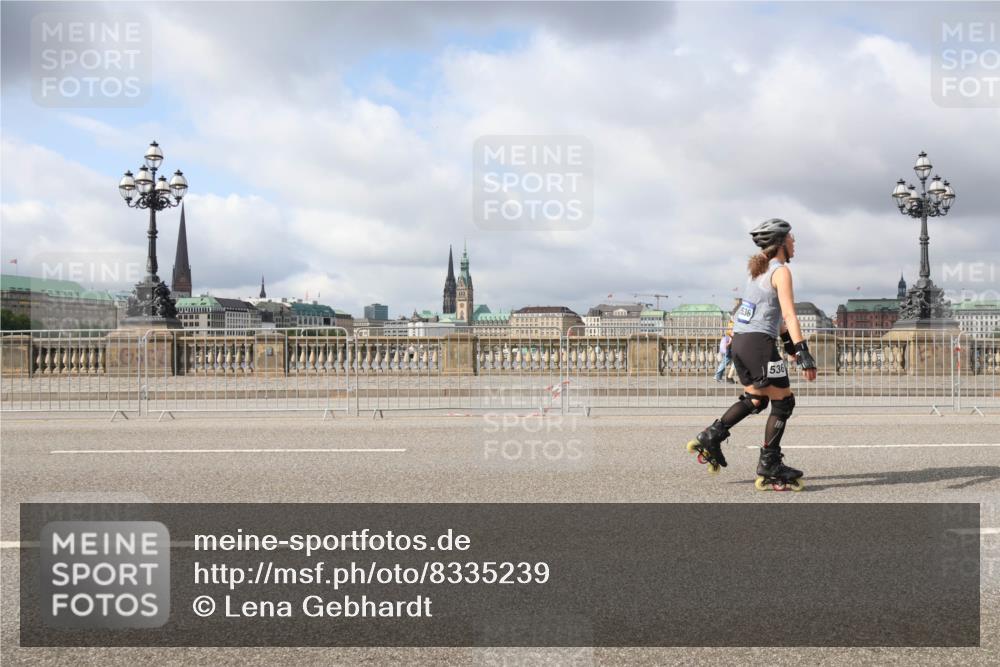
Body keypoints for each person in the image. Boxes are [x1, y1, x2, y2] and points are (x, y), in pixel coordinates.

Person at [685, 218, 817, 491]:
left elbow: (776, 319)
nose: (795, 243)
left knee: (756, 400)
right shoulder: (780, 272)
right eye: (791, 239)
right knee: (783, 403)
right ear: (780, 243)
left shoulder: (756, 272)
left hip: (741, 344)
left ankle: (712, 435)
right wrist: (804, 353)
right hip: (758, 344)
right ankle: (769, 463)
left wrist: (790, 349)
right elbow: (790, 316)